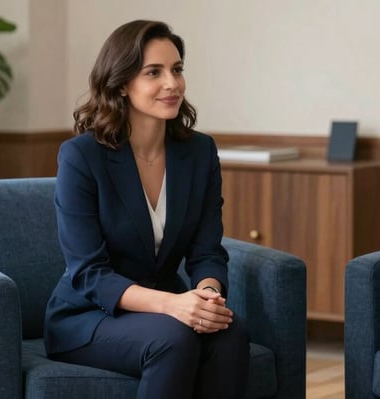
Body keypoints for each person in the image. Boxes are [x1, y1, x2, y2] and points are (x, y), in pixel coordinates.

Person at [43, 20, 249, 398]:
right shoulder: (82, 156)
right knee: (173, 338)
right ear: (122, 83)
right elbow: (89, 272)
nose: (172, 83)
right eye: (153, 72)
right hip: (89, 315)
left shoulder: (199, 153)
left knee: (230, 333)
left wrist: (206, 294)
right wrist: (173, 305)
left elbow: (207, 251)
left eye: (177, 70)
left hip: (165, 308)